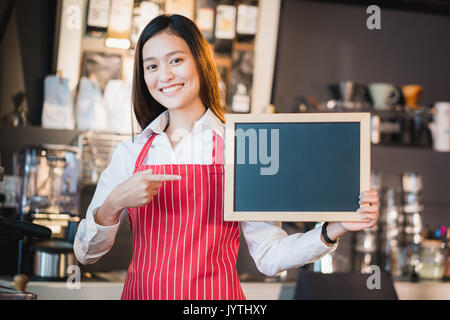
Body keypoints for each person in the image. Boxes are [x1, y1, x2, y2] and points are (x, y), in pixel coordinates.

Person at [74, 14, 379, 300]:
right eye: (151, 66)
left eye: (176, 60)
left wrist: (334, 227)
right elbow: (86, 254)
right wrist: (113, 203)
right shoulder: (131, 153)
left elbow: (269, 257)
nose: (164, 75)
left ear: (200, 63)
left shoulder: (241, 146)